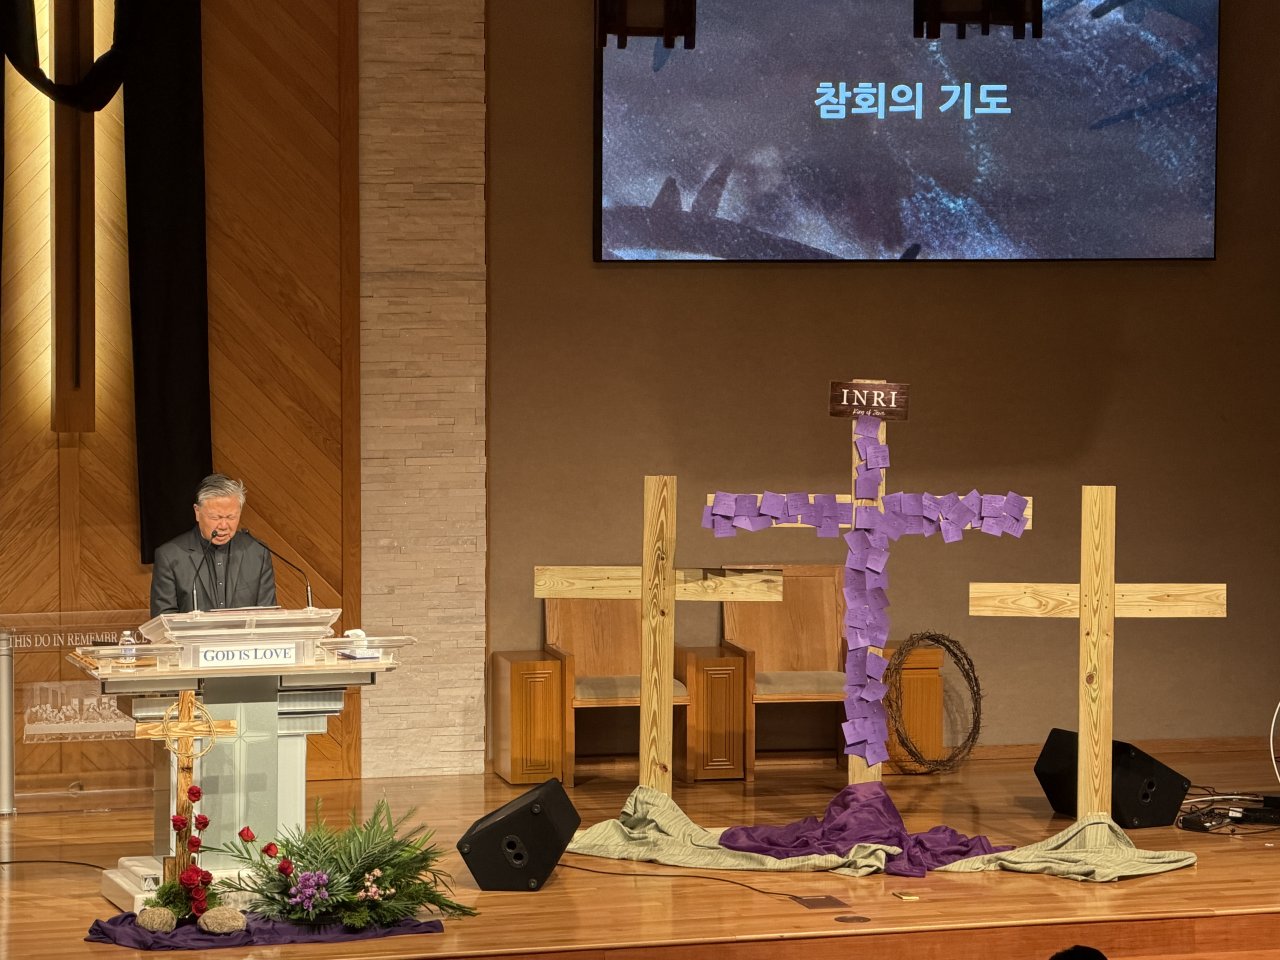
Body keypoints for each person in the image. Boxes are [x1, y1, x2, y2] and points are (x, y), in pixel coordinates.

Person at [149, 474, 277, 616]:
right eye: (215, 517)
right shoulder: (170, 556)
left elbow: (268, 615)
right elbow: (163, 619)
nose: (223, 526)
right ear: (197, 512)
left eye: (231, 517)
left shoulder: (257, 552)